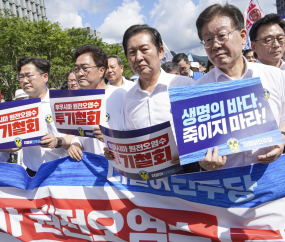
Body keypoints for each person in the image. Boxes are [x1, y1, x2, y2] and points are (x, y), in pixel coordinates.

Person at [104, 24, 206, 173]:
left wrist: (188, 150)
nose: (138, 57)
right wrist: (115, 151)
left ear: (160, 52)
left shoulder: (184, 86)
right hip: (148, 179)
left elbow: (205, 130)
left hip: (188, 172)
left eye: (144, 49)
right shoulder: (128, 98)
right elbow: (130, 137)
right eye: (132, 52)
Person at [195, 3, 285, 170]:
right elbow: (196, 144)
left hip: (273, 179)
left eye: (222, 35)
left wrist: (282, 137)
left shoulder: (276, 76)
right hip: (227, 184)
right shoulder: (197, 90)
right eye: (208, 39)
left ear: (243, 36)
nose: (215, 45)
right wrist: (203, 161)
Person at [1, 57, 75, 177]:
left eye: (29, 76)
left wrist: (58, 141)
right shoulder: (17, 108)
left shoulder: (63, 102)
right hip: (31, 174)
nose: (24, 81)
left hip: (62, 172)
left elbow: (78, 135)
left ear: (45, 77)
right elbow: (16, 145)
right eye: (21, 77)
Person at [68, 45, 126, 161]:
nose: (79, 74)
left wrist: (111, 137)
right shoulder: (78, 100)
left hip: (118, 168)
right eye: (77, 69)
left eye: (85, 68)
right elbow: (80, 134)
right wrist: (75, 144)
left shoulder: (121, 95)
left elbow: (134, 134)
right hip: (89, 168)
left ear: (101, 70)